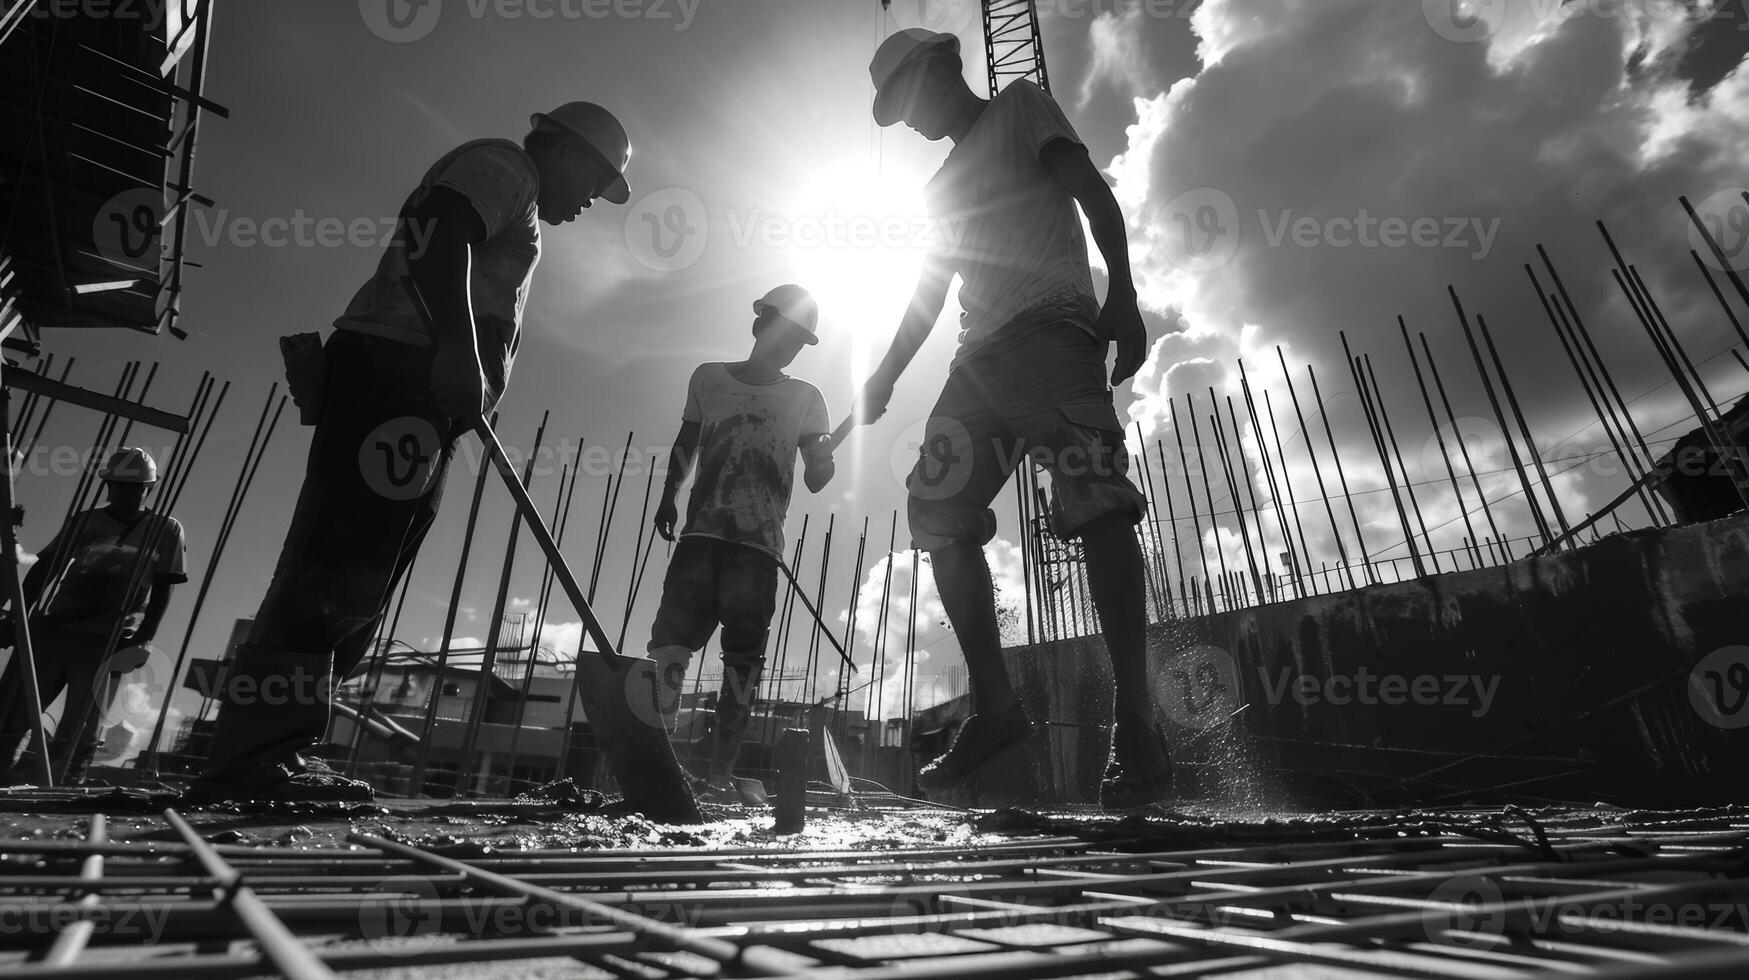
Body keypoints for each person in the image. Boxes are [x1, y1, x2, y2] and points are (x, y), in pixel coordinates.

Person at [186, 102, 635, 803]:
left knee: (363, 569)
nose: (587, 204)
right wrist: (457, 347)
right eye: (594, 183)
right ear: (570, 153)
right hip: (398, 377)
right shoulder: (505, 167)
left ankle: (276, 752)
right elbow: (438, 232)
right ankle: (254, 760)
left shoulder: (513, 191)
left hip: (417, 398)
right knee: (339, 563)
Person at [853, 29, 1172, 807]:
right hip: (977, 367)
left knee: (1093, 500)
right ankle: (996, 707)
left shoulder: (1021, 107)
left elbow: (1091, 191)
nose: (910, 121)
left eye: (908, 100)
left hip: (1054, 336)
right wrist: (886, 376)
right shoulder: (935, 188)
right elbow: (927, 296)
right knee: (935, 507)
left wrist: (1120, 294)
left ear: (941, 69)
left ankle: (1136, 723)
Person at [647, 284, 834, 801]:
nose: (790, 346)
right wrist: (669, 496)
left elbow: (818, 476)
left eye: (800, 340)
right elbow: (686, 443)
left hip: (757, 551)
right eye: (786, 332)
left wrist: (824, 455)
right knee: (669, 644)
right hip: (701, 538)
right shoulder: (708, 379)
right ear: (759, 324)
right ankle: (657, 761)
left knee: (743, 663)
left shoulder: (807, 399)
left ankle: (716, 772)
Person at [0, 447, 186, 783]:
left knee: (82, 729)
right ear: (109, 486)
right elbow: (46, 569)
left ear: (148, 489)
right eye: (119, 486)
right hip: (54, 631)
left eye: (134, 488)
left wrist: (145, 638)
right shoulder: (86, 521)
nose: (126, 493)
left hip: (109, 641)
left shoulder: (166, 530)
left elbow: (164, 587)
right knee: (11, 713)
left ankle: (60, 787)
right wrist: (18, 617)